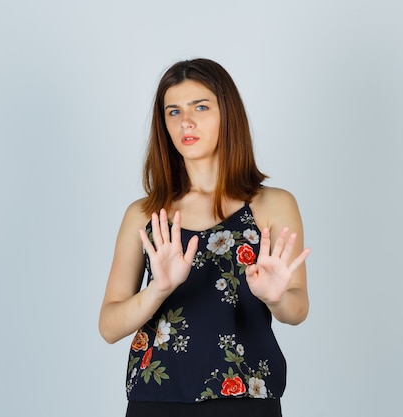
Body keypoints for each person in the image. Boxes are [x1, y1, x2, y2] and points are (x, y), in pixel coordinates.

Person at [99, 58, 310, 417]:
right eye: (173, 111)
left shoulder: (272, 205)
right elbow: (109, 326)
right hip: (157, 400)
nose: (186, 122)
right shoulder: (146, 213)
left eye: (200, 106)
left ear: (227, 113)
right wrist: (158, 289)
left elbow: (297, 309)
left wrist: (274, 298)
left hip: (247, 398)